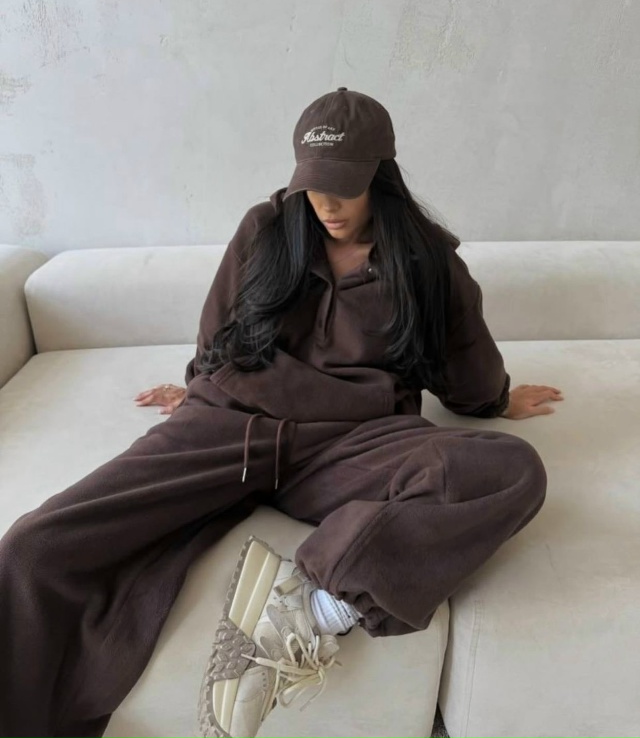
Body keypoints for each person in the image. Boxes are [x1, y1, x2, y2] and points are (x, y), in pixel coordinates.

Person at [0, 88, 560, 738]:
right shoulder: (266, 229)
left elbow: (464, 364)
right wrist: (200, 386)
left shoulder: (428, 261)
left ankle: (310, 608)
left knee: (511, 469)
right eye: (315, 186)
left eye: (344, 187)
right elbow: (218, 332)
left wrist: (496, 400)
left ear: (381, 173)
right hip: (228, 425)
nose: (327, 204)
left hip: (351, 443)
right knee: (33, 548)